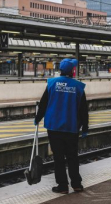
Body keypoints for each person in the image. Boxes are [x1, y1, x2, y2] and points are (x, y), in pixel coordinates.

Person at [35, 58, 89, 194]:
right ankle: (76, 184)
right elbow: (83, 110)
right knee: (72, 156)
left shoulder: (51, 83)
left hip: (54, 127)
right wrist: (85, 127)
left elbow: (43, 104)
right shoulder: (78, 86)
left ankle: (63, 186)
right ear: (72, 71)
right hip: (71, 127)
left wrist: (37, 118)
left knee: (58, 158)